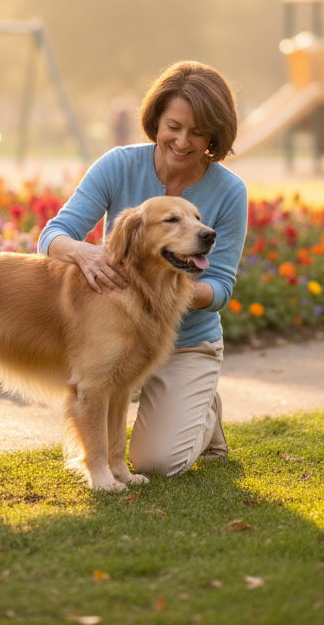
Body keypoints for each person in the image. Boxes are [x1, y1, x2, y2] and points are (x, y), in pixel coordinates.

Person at [38, 61, 248, 476]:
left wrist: (170, 289)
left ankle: (201, 406)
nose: (183, 141)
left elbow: (221, 286)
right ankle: (183, 408)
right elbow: (54, 235)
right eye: (174, 126)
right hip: (116, 331)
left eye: (198, 131)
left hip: (186, 341)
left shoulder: (229, 191)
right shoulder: (118, 165)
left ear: (215, 134)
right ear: (156, 120)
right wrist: (85, 254)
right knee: (101, 391)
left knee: (157, 463)